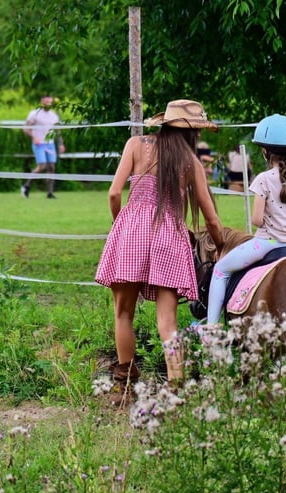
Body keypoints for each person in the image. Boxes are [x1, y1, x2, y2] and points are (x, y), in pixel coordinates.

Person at [95, 99, 224, 391]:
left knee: (123, 313)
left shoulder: (136, 144)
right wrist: (220, 246)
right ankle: (176, 387)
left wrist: (121, 225)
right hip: (169, 235)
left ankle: (123, 383)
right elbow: (212, 220)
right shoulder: (190, 163)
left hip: (131, 232)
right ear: (192, 132)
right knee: (168, 322)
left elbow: (114, 193)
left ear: (164, 123)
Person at [206, 114, 286, 325]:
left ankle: (211, 327)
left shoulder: (263, 179)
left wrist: (276, 224)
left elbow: (257, 219)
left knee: (221, 269)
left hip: (265, 244)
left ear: (265, 151)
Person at [21, 95, 65, 199]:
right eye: (46, 102)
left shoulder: (54, 116)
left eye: (50, 102)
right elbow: (26, 129)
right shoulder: (34, 114)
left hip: (50, 144)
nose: (48, 104)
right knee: (42, 166)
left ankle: (50, 193)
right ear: (42, 102)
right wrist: (34, 137)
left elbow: (58, 132)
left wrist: (61, 144)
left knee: (51, 167)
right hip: (39, 143)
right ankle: (26, 186)